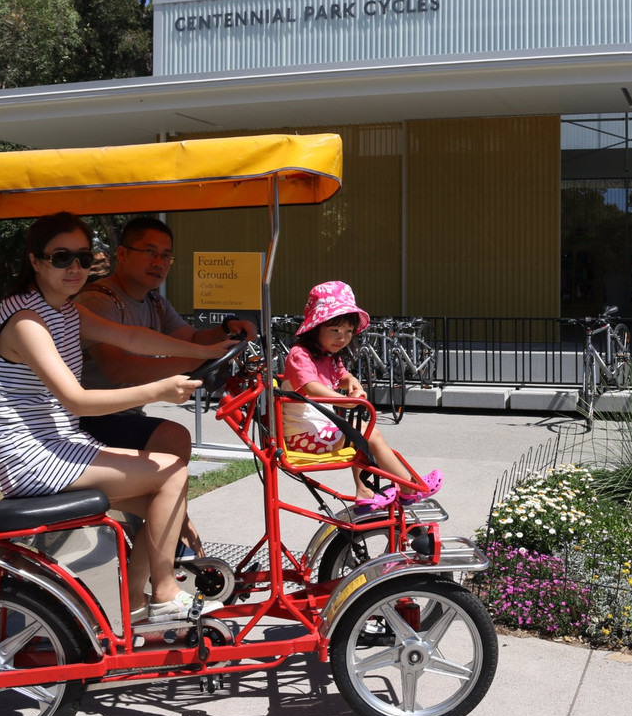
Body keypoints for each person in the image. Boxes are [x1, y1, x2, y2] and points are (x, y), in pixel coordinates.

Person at [0, 212, 237, 623]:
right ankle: (164, 593)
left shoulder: (62, 309)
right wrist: (160, 390)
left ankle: (134, 606)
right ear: (36, 260)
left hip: (59, 445)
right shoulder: (27, 320)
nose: (75, 268)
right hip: (30, 456)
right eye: (62, 257)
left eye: (83, 258)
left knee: (161, 495)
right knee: (171, 472)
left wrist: (207, 352)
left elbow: (132, 337)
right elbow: (77, 401)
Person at [74, 216, 258, 557]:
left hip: (121, 418)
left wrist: (226, 329)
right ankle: (166, 549)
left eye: (166, 256)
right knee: (173, 439)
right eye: (149, 252)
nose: (159, 262)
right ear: (122, 254)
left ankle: (161, 544)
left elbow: (188, 338)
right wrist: (198, 359)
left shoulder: (154, 302)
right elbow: (119, 368)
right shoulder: (98, 301)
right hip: (88, 420)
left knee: (170, 465)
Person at [281, 280, 442, 509]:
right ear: (316, 328)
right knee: (369, 434)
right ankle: (407, 487)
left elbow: (344, 376)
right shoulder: (300, 354)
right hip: (303, 435)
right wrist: (345, 400)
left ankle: (364, 491)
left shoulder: (329, 355)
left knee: (360, 433)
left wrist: (354, 385)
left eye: (348, 331)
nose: (342, 338)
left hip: (318, 428)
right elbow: (311, 387)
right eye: (335, 330)